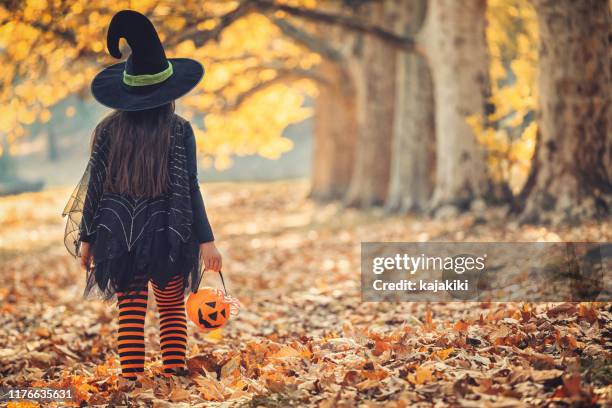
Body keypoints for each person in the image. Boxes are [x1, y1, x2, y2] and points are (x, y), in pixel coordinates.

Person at [62, 10, 222, 379]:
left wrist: (88, 237)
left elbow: (96, 189)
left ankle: (131, 378)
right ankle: (172, 373)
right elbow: (190, 187)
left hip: (116, 231)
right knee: (170, 309)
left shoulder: (107, 130)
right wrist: (206, 241)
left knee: (130, 310)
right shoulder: (179, 129)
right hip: (168, 230)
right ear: (170, 92)